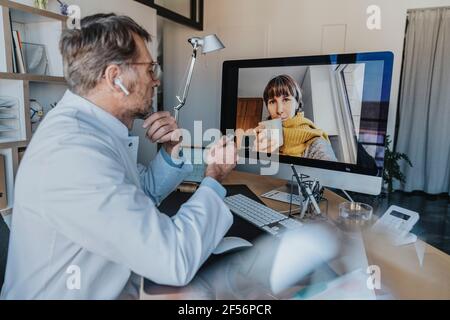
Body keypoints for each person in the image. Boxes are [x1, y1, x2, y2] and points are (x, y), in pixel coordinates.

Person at [0, 14, 237, 300]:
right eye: (150, 70)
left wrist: (170, 153)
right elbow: (172, 259)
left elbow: (141, 192)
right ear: (116, 78)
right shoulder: (72, 151)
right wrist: (214, 177)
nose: (155, 81)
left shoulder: (94, 131)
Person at [255, 75, 337, 161]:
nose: (279, 110)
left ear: (297, 103)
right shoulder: (261, 137)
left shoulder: (316, 142)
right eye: (272, 102)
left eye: (286, 100)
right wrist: (254, 155)